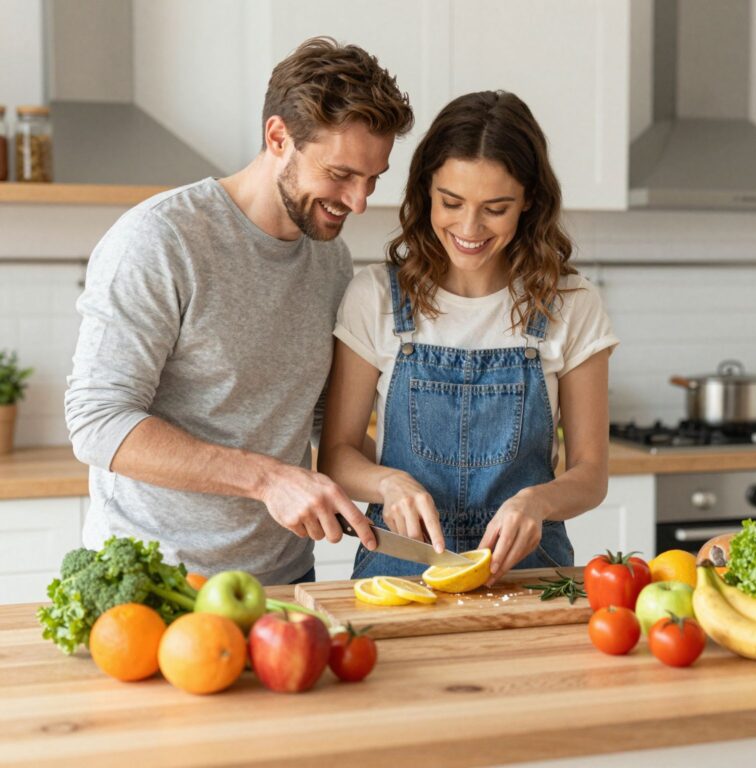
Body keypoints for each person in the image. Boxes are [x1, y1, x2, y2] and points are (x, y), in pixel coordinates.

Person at [65, 37, 414, 586]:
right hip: (159, 581)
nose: (359, 201)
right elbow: (97, 421)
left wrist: (398, 480)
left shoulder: (329, 258)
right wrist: (268, 479)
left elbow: (318, 417)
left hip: (285, 576)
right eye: (341, 173)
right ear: (278, 137)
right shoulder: (161, 240)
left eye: (373, 178)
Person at [319, 91, 618, 585]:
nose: (469, 227)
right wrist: (387, 484)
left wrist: (537, 502)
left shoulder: (571, 302)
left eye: (495, 208)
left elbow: (591, 474)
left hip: (527, 575)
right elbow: (337, 454)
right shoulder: (375, 296)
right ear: (426, 191)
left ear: (529, 202)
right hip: (400, 572)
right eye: (451, 202)